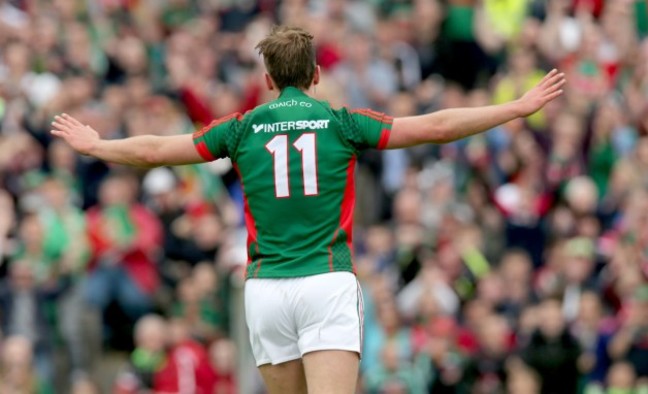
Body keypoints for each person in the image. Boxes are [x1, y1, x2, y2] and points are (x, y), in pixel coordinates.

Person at [51, 25, 565, 394]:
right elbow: (433, 125)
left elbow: (155, 150)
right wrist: (515, 107)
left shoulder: (241, 126)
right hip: (326, 283)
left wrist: (98, 145)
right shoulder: (341, 121)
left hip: (267, 290)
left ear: (269, 80)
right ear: (317, 75)